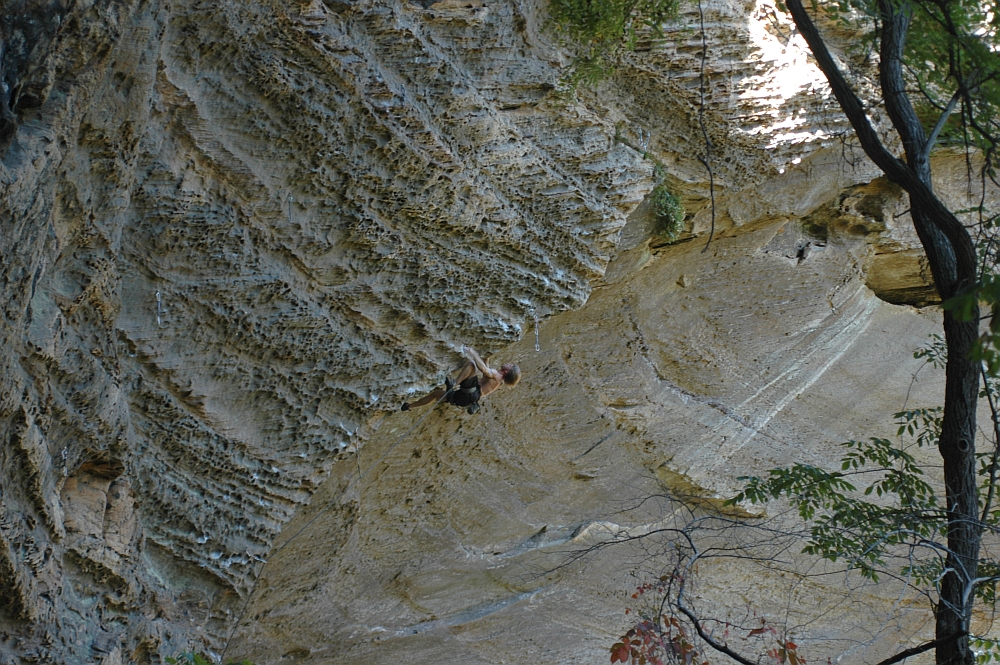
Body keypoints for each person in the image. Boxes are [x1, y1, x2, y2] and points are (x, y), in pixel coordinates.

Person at [401, 345, 520, 414]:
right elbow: (486, 375)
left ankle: (454, 384)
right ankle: (408, 407)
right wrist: (486, 358)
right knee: (436, 394)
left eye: (510, 365)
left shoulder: (497, 375)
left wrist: (473, 353)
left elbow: (484, 370)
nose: (508, 363)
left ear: (507, 371)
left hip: (471, 392)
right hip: (467, 399)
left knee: (471, 365)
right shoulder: (499, 381)